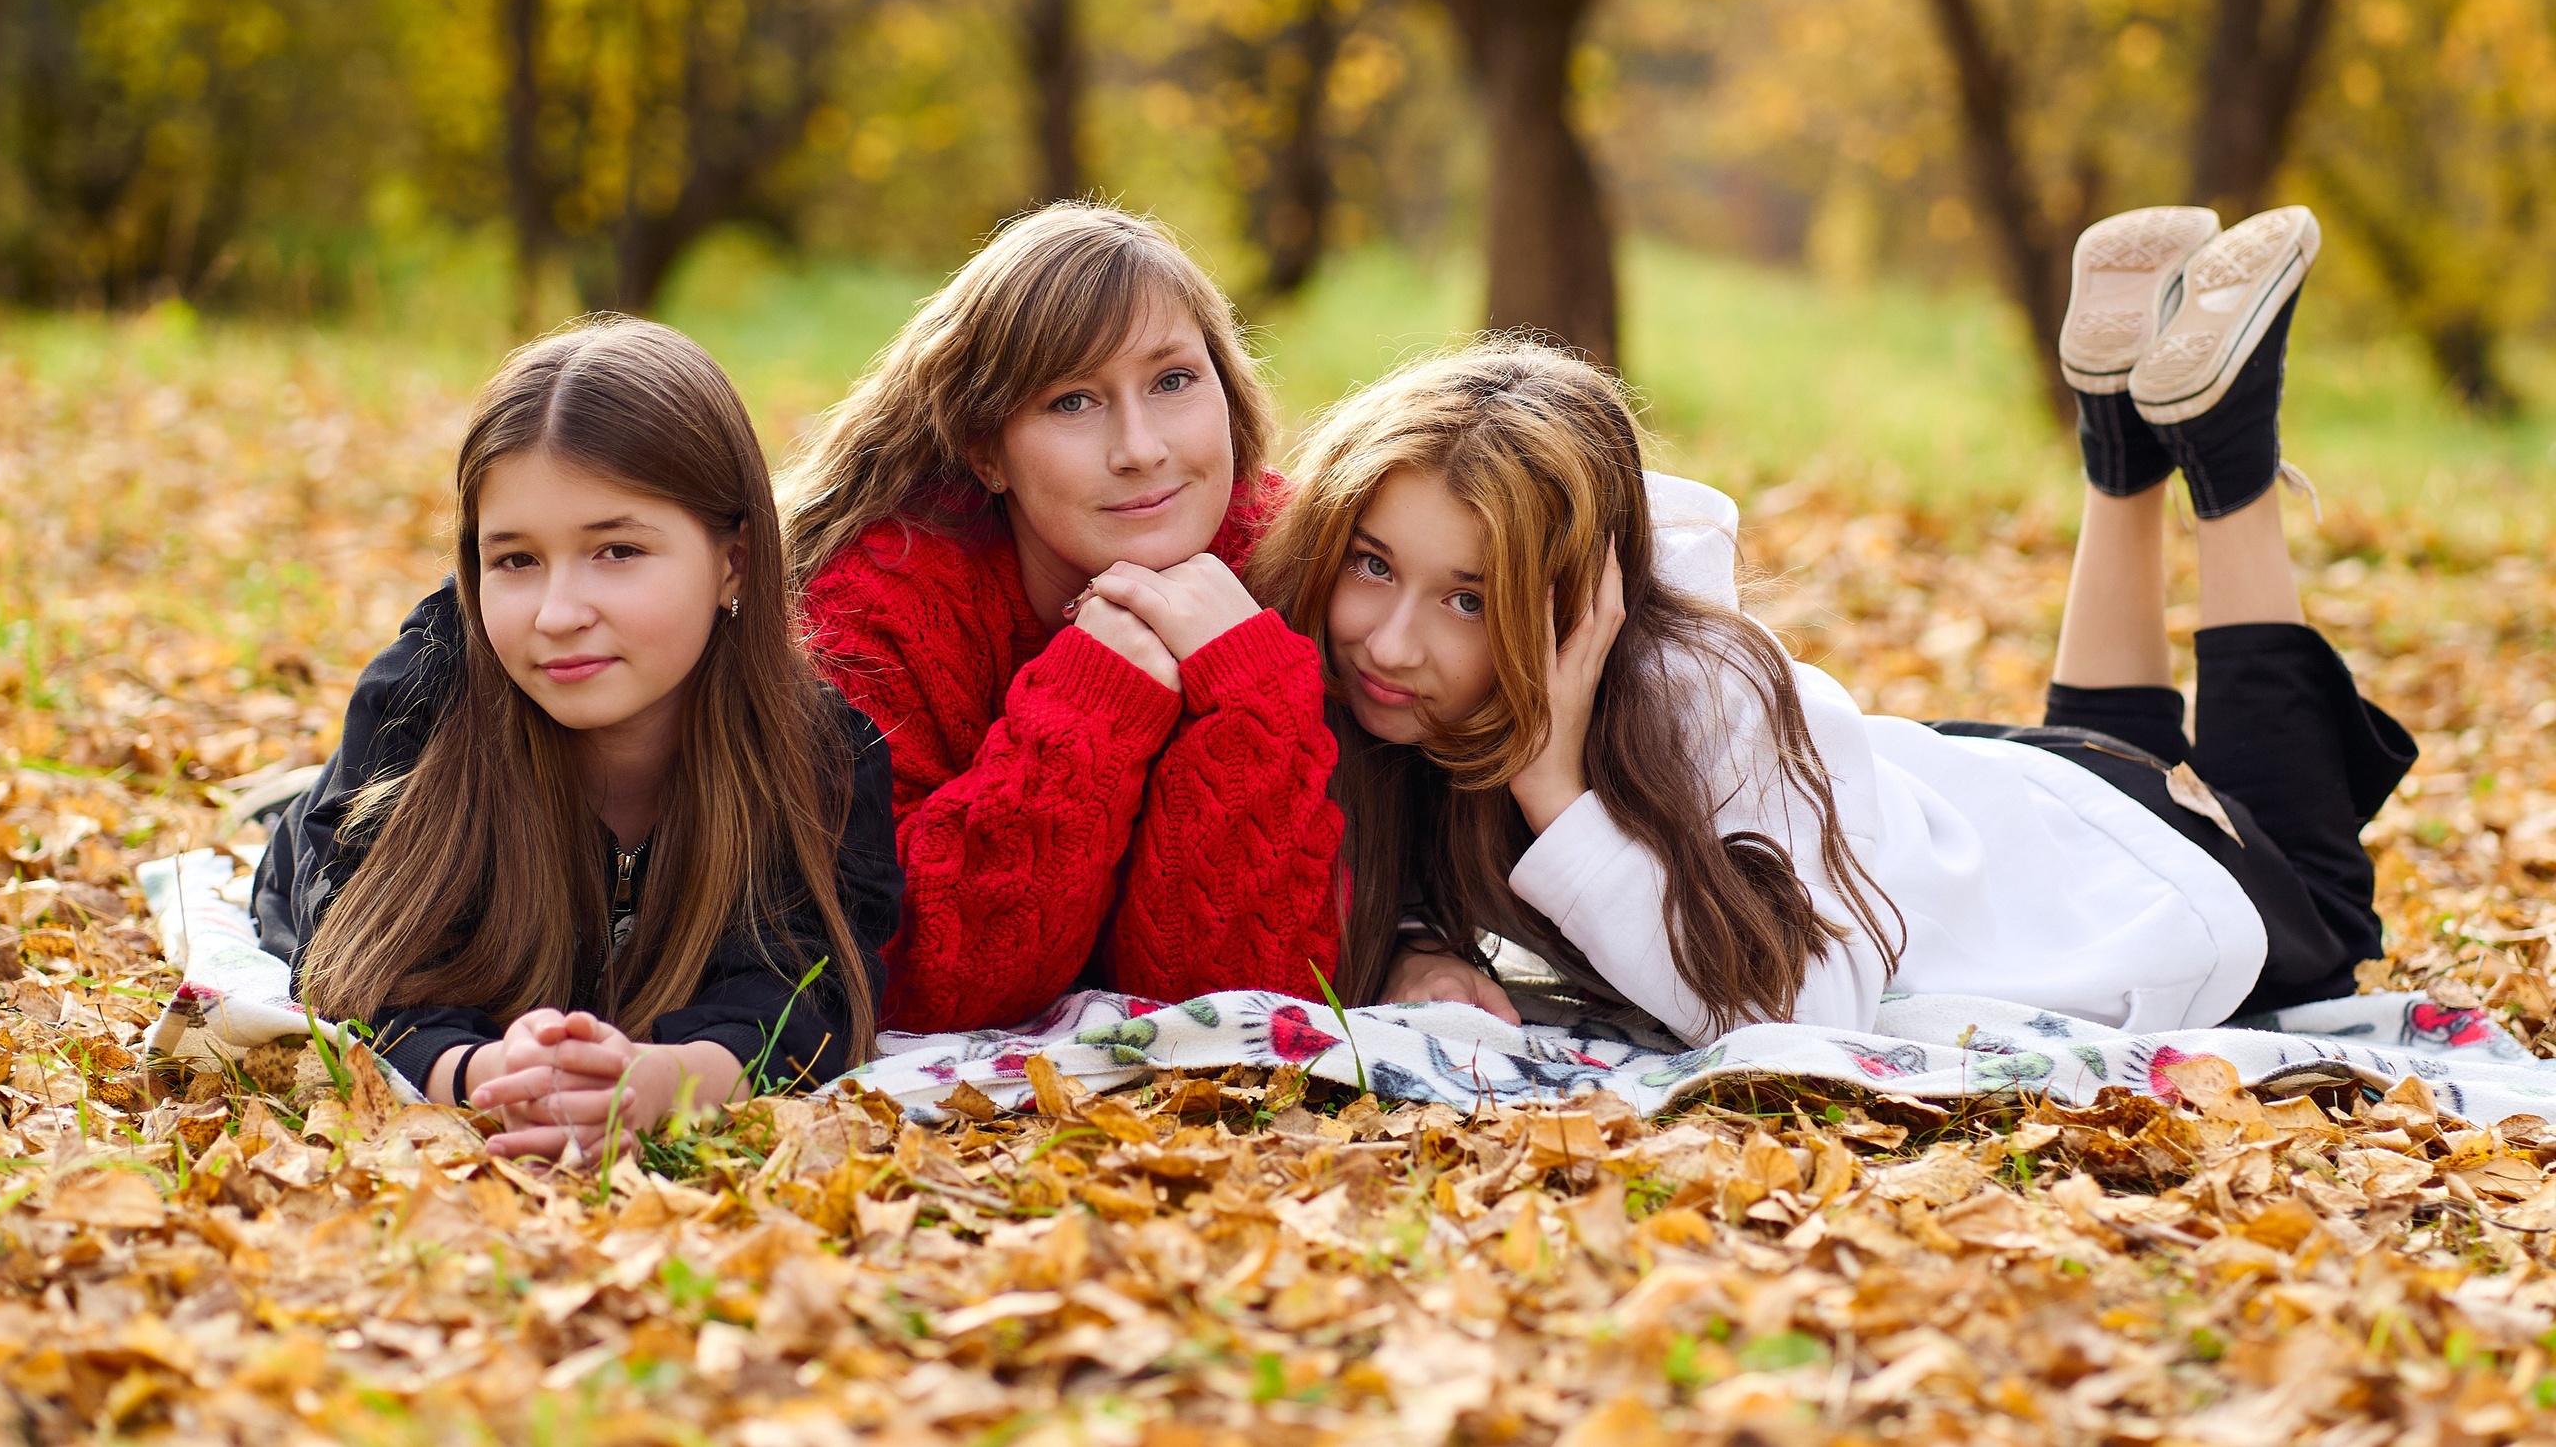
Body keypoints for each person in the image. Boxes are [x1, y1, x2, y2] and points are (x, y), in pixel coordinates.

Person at [1254, 205, 2416, 1044]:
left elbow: (1803, 1019)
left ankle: (2228, 451)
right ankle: (2115, 435)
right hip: (2010, 803)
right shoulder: (1365, 680)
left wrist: (1554, 788)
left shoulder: (1698, 693)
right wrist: (1413, 940)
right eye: (1371, 565)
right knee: (2134, 770)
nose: (1390, 641)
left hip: (2110, 871)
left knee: (2318, 895)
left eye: (1465, 598)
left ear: (1571, 603)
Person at [259, 317, 901, 1158]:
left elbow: (801, 996)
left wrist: (648, 1084)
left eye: (617, 550)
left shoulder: (819, 758)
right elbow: (353, 957)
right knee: (309, 815)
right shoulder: (424, 696)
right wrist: (487, 1074)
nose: (559, 614)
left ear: (733, 562)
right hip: (336, 848)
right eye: (516, 561)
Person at [778, 203, 1343, 1033]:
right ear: (986, 450)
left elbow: (1246, 1005)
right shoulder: (878, 611)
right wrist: (1096, 699)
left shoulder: (1297, 560)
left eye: (1174, 380)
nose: (1141, 448)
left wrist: (1246, 685)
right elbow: (920, 986)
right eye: (1073, 401)